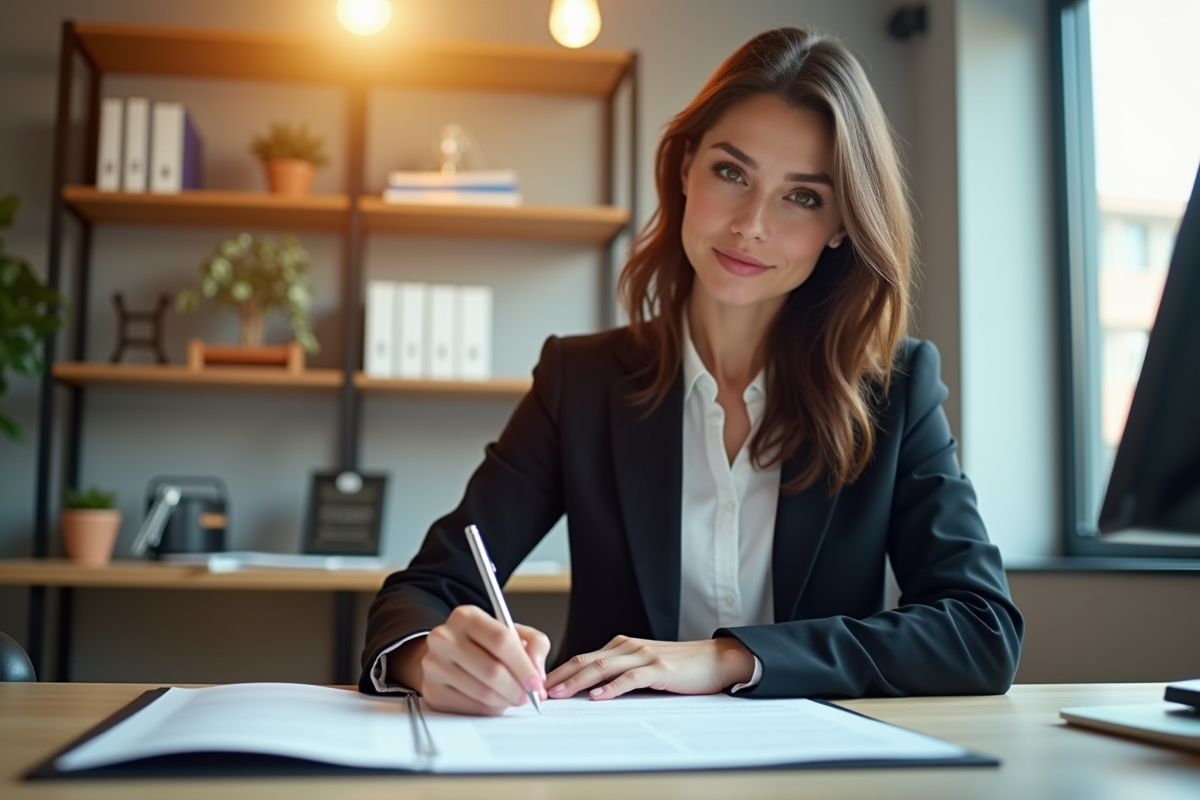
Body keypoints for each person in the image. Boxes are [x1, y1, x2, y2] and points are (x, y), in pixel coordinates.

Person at [359, 26, 1023, 715]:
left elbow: (980, 631)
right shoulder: (580, 381)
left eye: (803, 197)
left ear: (841, 225)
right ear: (685, 169)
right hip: (616, 766)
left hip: (818, 771)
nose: (750, 225)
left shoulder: (896, 388)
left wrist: (730, 656)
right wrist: (426, 657)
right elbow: (424, 590)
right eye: (731, 173)